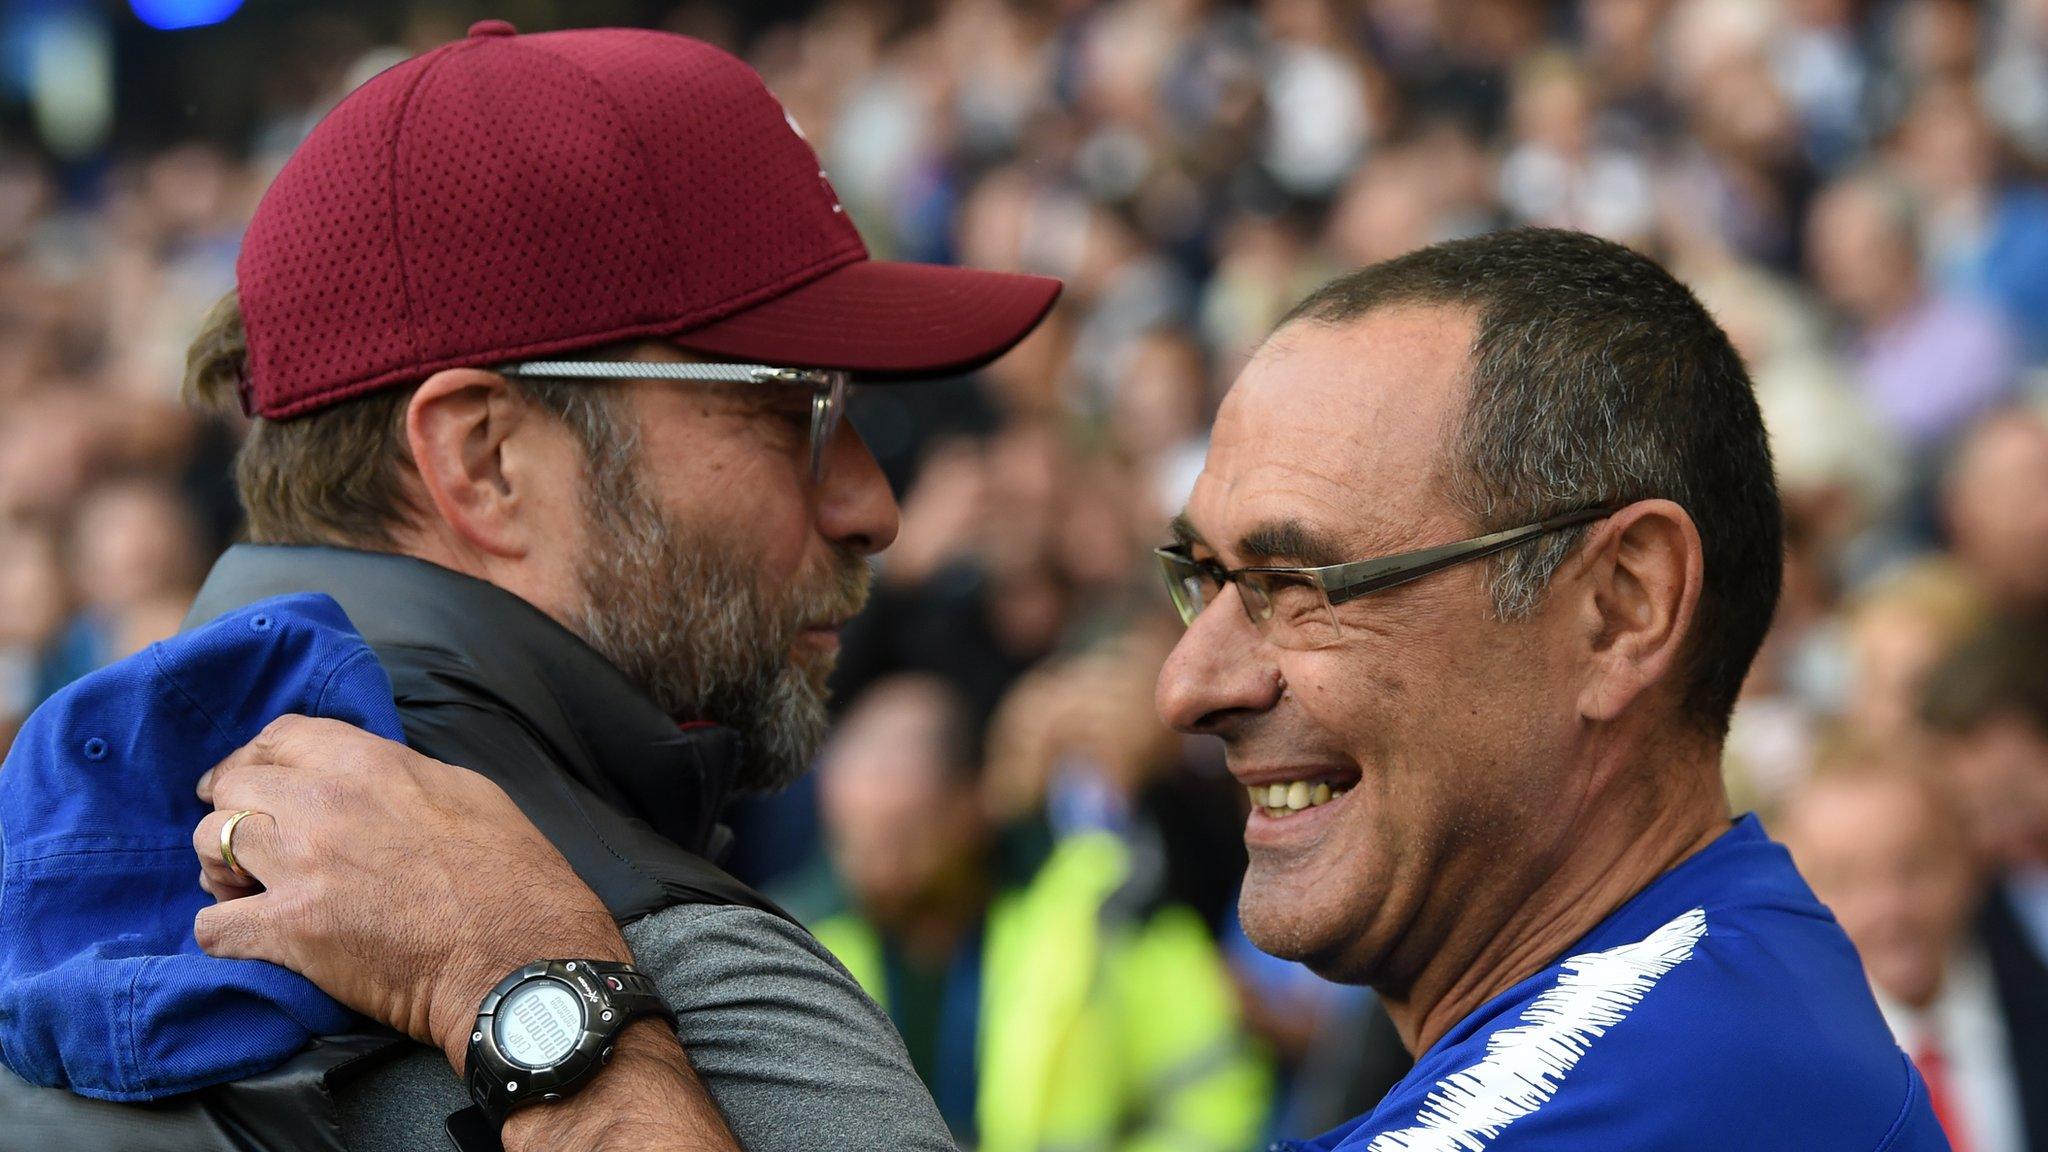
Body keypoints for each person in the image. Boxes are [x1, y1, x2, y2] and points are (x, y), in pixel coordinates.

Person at [186, 228, 1948, 1150]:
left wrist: (535, 1006)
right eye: (1199, 576)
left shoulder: (1654, 1089)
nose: (1192, 678)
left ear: (1620, 605)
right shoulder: (1683, 1011)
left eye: (1296, 581)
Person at [0, 19, 1058, 1152]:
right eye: (791, 410)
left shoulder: (56, 879)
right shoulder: (705, 992)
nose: (869, 504)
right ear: (485, 460)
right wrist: (553, 1004)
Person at [796, 673, 1270, 1152]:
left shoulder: (1103, 905)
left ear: (969, 807)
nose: (872, 870)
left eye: (899, 839)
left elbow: (1216, 1100)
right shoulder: (803, 949)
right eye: (849, 842)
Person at [1779, 757, 2039, 1152]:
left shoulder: (2035, 1005)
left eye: (1914, 868)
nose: (1888, 909)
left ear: (1967, 863)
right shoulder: (1783, 1077)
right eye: (1846, 879)